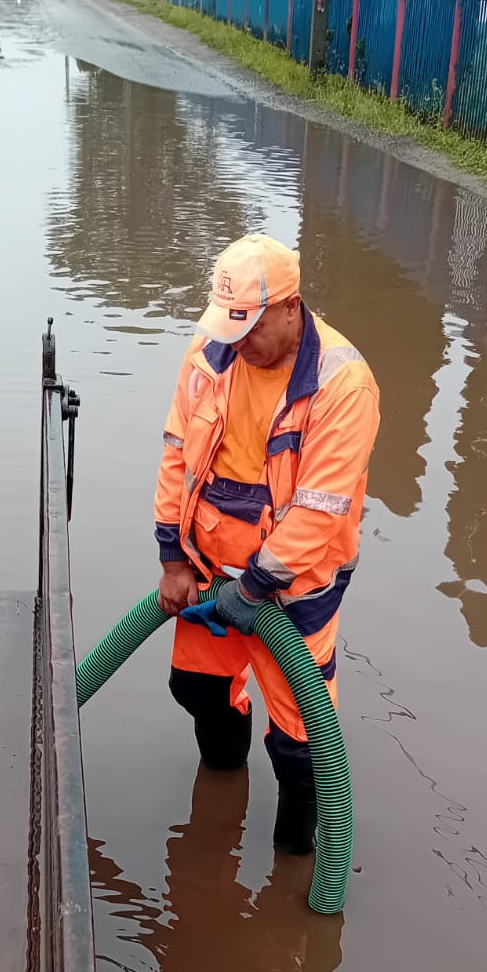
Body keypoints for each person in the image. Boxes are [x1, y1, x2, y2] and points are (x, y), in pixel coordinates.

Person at [155, 233, 380, 855]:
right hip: (207, 570)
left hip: (292, 589)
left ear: (290, 307)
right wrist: (173, 558)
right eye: (228, 327)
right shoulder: (209, 355)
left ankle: (298, 860)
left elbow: (319, 509)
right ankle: (222, 798)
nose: (237, 343)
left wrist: (255, 588)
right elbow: (177, 457)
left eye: (249, 328)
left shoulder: (343, 385)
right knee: (197, 689)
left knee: (301, 742)